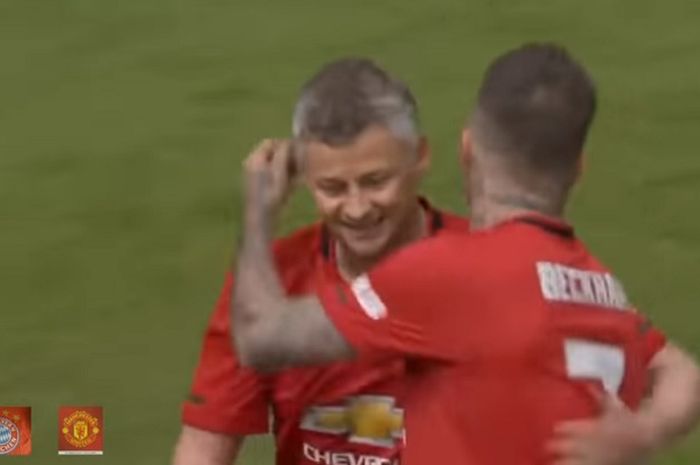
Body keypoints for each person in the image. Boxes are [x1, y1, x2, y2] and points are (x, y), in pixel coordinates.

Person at [231, 44, 700, 465]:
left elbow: (260, 339)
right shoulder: (603, 294)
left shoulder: (451, 273)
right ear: (578, 169)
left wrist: (258, 212)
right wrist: (644, 433)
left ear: (467, 149)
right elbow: (684, 375)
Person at [173, 58, 470, 465]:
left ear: (419, 157)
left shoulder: (486, 264)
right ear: (302, 176)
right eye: (332, 187)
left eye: (375, 181)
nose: (357, 208)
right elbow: (205, 446)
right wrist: (258, 216)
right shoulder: (268, 286)